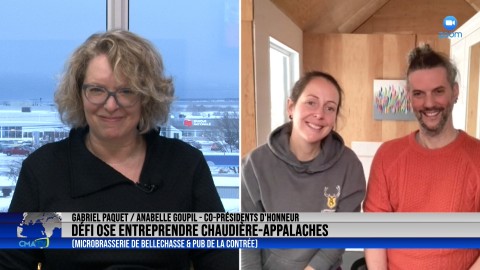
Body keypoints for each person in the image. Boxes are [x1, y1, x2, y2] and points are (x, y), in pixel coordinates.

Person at [0, 30, 238, 270]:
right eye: (96, 90)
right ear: (78, 94)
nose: (111, 105)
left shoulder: (186, 165)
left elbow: (221, 260)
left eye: (126, 91)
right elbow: (12, 265)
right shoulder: (43, 169)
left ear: (147, 96)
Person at [363, 44, 480, 269]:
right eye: (419, 94)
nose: (429, 103)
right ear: (409, 97)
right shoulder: (387, 156)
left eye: (438, 91)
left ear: (454, 92)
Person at [241, 71, 366, 270]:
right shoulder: (254, 165)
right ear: (291, 107)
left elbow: (342, 231)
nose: (319, 114)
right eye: (311, 102)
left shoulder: (349, 166)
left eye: (330, 108)